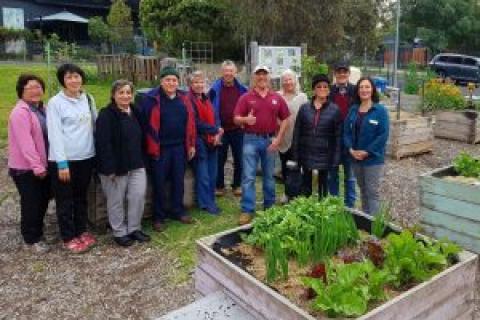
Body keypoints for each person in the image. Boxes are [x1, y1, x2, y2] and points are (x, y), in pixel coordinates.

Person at [138, 66, 196, 232]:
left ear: (178, 82)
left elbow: (191, 124)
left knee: (178, 180)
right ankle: (159, 216)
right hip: (160, 149)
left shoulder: (184, 98)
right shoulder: (151, 99)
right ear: (161, 81)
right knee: (159, 183)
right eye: (167, 80)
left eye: (174, 80)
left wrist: (191, 144)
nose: (171, 83)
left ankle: (177, 211)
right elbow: (144, 126)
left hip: (179, 148)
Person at [47, 63, 97, 253]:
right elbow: (55, 134)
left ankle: (81, 230)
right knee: (65, 199)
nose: (74, 80)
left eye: (76, 76)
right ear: (63, 81)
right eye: (69, 77)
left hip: (86, 157)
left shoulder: (88, 98)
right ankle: (68, 236)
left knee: (81, 197)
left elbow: (94, 125)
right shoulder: (55, 103)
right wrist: (61, 163)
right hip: (64, 161)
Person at [95, 80, 150, 247]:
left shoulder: (135, 111)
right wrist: (109, 168)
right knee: (116, 200)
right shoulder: (106, 114)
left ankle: (134, 228)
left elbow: (143, 136)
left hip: (137, 163)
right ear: (113, 95)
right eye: (121, 92)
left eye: (128, 92)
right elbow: (103, 143)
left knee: (138, 196)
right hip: (116, 167)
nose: (125, 96)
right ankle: (119, 231)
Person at [233, 66, 290, 225]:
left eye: (264, 74)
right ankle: (247, 210)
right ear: (254, 78)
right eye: (259, 74)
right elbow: (236, 118)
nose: (262, 77)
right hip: (250, 140)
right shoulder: (246, 97)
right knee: (248, 177)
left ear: (269, 77)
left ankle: (269, 207)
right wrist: (245, 120)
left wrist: (278, 138)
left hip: (269, 141)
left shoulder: (276, 98)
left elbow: (285, 118)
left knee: (269, 177)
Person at [8, 74, 51, 253]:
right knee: (31, 202)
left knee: (42, 200)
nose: (35, 91)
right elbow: (26, 144)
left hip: (42, 164)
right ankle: (31, 239)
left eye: (38, 87)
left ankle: (37, 231)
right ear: (21, 91)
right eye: (30, 88)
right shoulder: (20, 112)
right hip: (26, 168)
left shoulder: (41, 108)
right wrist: (37, 167)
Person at [344, 77, 389, 215]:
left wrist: (367, 152)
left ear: (372, 89)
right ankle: (366, 219)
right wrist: (351, 149)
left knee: (372, 192)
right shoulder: (353, 110)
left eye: (367, 87)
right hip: (355, 158)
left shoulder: (380, 111)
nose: (364, 90)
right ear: (357, 91)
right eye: (361, 87)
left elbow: (383, 135)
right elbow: (346, 132)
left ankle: (374, 226)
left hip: (373, 159)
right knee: (362, 189)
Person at [291, 74, 342, 199]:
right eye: (319, 86)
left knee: (323, 192)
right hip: (306, 154)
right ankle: (306, 213)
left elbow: (338, 137)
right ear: (314, 89)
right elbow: (297, 132)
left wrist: (336, 159)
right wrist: (295, 155)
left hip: (325, 156)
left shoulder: (335, 110)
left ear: (329, 90)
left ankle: (321, 214)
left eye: (325, 87)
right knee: (305, 189)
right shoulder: (304, 109)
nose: (322, 89)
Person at [208, 60, 248, 197]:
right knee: (220, 159)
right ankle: (219, 186)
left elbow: (248, 107)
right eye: (226, 71)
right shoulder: (214, 89)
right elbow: (209, 109)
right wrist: (215, 127)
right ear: (222, 72)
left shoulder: (242, 89)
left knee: (239, 158)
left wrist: (245, 121)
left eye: (231, 71)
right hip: (221, 130)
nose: (228, 73)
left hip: (238, 129)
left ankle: (237, 185)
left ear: (235, 73)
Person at [188, 71, 224, 215]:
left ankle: (210, 199)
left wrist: (217, 133)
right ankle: (206, 203)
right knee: (203, 174)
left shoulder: (206, 98)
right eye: (196, 82)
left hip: (212, 140)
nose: (199, 85)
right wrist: (215, 130)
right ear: (190, 84)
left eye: (201, 82)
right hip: (198, 140)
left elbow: (215, 117)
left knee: (212, 172)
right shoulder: (188, 100)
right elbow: (194, 122)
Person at [328, 62, 357, 207]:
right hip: (333, 139)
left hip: (350, 139)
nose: (341, 74)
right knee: (332, 175)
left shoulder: (355, 90)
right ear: (335, 74)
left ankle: (350, 207)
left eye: (344, 72)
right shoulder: (329, 91)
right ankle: (334, 205)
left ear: (348, 74)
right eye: (339, 72)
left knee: (350, 176)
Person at [277, 69, 308, 201]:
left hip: (299, 138)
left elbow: (307, 117)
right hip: (283, 138)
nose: (288, 82)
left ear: (295, 81)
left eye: (290, 79)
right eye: (285, 80)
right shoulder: (277, 96)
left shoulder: (303, 97)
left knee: (297, 167)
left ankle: (297, 194)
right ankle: (287, 192)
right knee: (285, 166)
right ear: (281, 82)